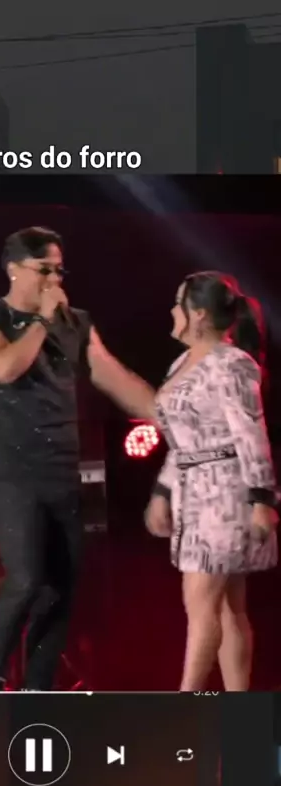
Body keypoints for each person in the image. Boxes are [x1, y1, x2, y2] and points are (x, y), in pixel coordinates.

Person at [0, 226, 153, 690]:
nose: (54, 280)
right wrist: (42, 322)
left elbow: (113, 377)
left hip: (64, 470)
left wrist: (172, 413)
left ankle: (38, 689)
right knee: (27, 577)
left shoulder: (76, 322)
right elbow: (5, 368)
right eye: (43, 270)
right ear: (13, 269)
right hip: (14, 471)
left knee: (62, 588)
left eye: (59, 271)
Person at [142, 272, 278, 692]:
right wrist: (163, 492)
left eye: (178, 303)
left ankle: (185, 703)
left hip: (226, 495)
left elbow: (251, 432)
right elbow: (182, 442)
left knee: (202, 606)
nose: (171, 311)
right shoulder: (181, 363)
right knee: (228, 608)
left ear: (197, 314)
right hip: (194, 494)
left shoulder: (232, 364)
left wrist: (261, 499)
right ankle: (239, 708)